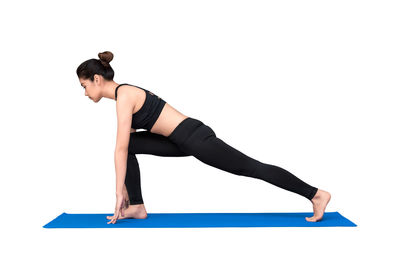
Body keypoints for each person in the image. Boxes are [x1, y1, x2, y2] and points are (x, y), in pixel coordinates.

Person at [76, 51, 331, 224]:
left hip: (194, 137)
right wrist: (125, 190)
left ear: (97, 79)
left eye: (84, 86)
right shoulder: (125, 95)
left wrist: (117, 194)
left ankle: (315, 194)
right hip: (180, 139)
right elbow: (126, 147)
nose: (85, 93)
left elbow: (120, 150)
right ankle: (138, 207)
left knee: (251, 168)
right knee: (129, 145)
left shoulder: (124, 96)